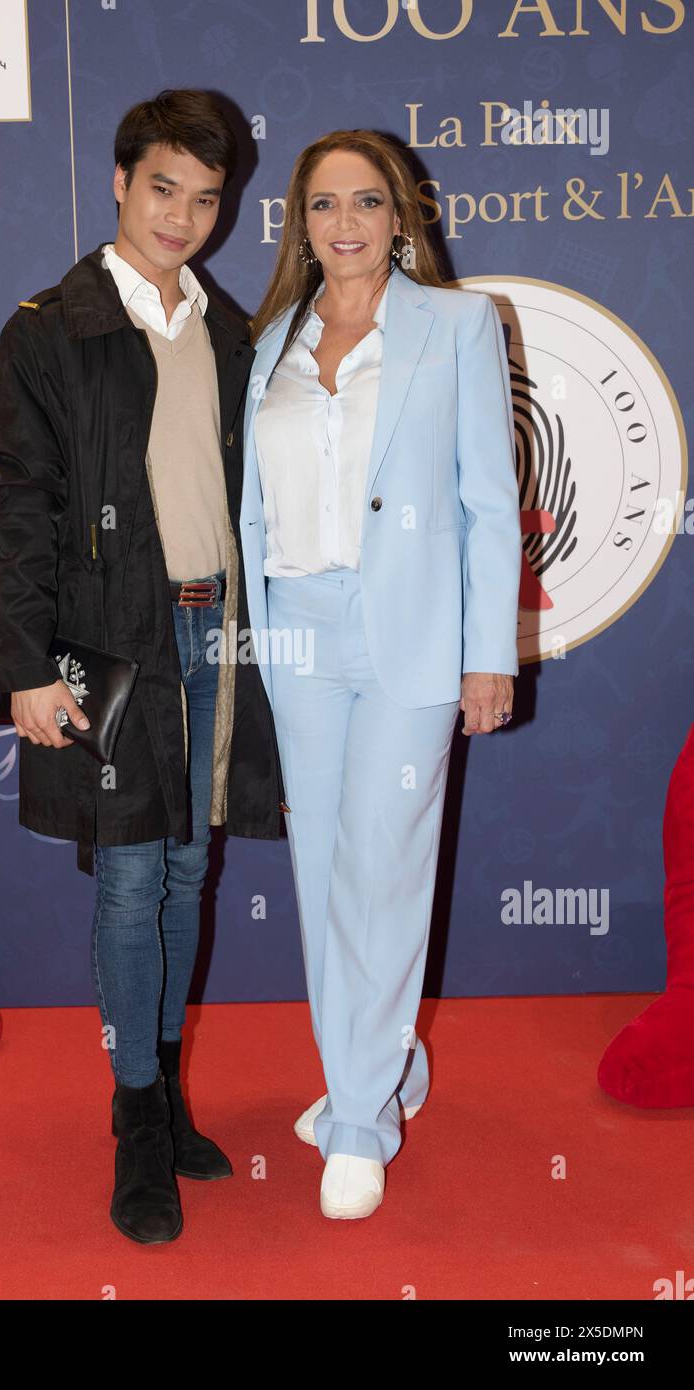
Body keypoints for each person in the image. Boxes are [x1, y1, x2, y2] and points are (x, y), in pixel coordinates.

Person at [0, 89, 283, 1246]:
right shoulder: (51, 326)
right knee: (130, 881)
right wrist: (26, 661)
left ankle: (164, 1090)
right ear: (120, 182)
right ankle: (139, 1121)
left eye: (207, 199)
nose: (184, 217)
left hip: (220, 635)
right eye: (164, 188)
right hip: (112, 644)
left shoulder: (233, 330)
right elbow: (21, 508)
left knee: (192, 872)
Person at [241, 130, 521, 1220]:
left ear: (403, 216)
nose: (344, 223)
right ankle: (380, 1069)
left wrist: (486, 651)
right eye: (323, 205)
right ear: (299, 223)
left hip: (405, 631)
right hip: (299, 629)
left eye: (366, 202)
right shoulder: (270, 342)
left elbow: (489, 503)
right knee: (323, 867)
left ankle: (356, 1117)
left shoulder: (455, 326)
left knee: (387, 869)